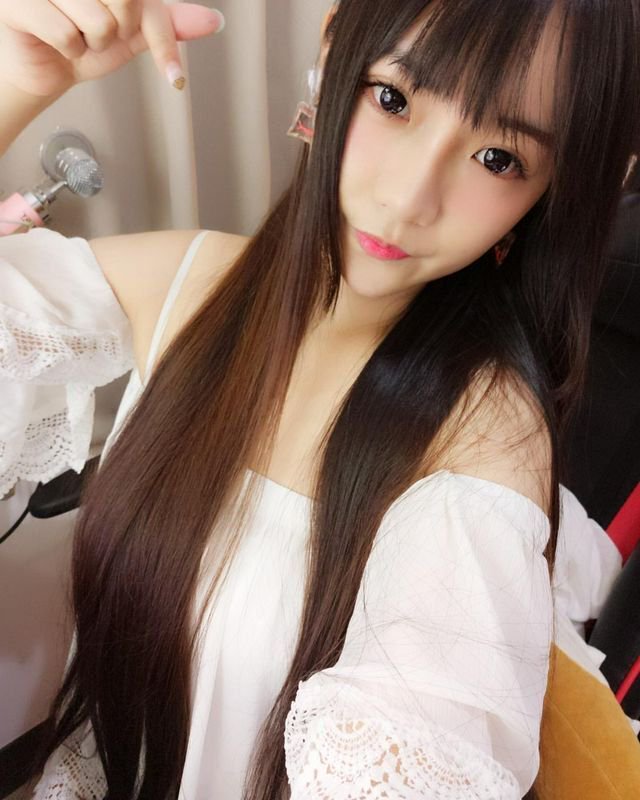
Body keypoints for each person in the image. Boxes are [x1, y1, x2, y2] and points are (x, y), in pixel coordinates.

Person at [0, 0, 639, 797]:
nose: (409, 198)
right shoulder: (187, 283)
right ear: (334, 52)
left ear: (545, 193)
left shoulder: (485, 439)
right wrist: (15, 84)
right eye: (395, 99)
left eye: (499, 158)